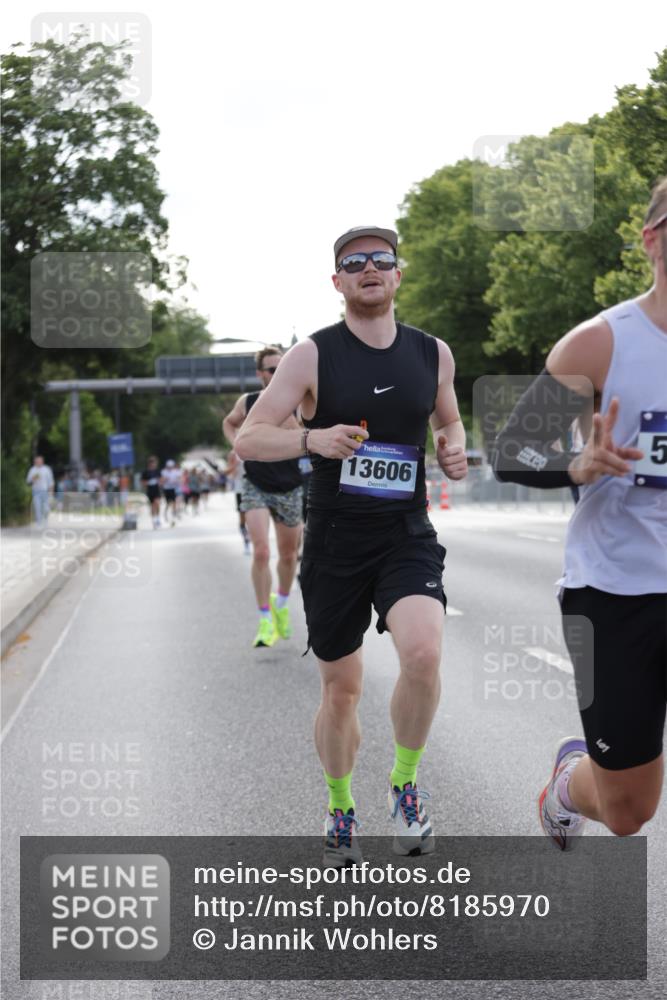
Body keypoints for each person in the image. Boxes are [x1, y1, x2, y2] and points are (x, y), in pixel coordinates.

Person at [236, 226, 467, 864]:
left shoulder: (433, 354)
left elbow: (447, 417)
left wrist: (453, 446)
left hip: (405, 533)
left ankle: (404, 785)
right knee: (342, 690)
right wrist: (312, 439)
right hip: (335, 540)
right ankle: (340, 804)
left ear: (398, 275)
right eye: (354, 261)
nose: (370, 267)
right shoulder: (311, 356)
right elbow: (249, 440)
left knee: (423, 652)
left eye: (382, 259)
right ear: (337, 281)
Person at [492, 178, 667, 848]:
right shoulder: (598, 345)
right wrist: (576, 466)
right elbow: (510, 452)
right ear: (650, 240)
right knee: (626, 813)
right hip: (614, 592)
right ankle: (569, 781)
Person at [224, 346, 304, 648]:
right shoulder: (249, 402)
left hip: (290, 486)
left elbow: (313, 436)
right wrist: (238, 447)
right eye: (271, 369)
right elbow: (229, 423)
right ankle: (264, 620)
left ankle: (280, 605)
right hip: (255, 483)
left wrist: (293, 427)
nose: (277, 374)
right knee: (260, 552)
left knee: (288, 555)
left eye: (282, 368)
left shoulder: (300, 401)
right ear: (260, 374)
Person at [225, 449, 251, 554]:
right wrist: (235, 465)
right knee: (243, 519)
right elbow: (227, 472)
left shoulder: (252, 448)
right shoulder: (233, 453)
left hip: (254, 489)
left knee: (254, 517)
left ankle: (255, 539)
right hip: (240, 490)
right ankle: (246, 542)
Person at [26, 455, 54, 526]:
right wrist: (33, 478)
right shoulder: (32, 470)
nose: (39, 462)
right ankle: (39, 522)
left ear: (42, 461)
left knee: (46, 508)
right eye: (37, 461)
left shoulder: (47, 469)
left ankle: (45, 519)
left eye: (40, 461)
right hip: (36, 491)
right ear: (35, 462)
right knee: (37, 507)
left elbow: (51, 482)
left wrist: (51, 492)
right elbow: (28, 481)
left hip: (45, 491)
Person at [141, 456, 162, 529]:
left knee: (157, 503)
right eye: (152, 463)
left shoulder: (157, 471)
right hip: (150, 490)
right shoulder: (145, 472)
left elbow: (161, 480)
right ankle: (154, 520)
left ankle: (158, 518)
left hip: (157, 489)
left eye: (154, 463)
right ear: (149, 464)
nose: (153, 464)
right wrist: (149, 482)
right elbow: (142, 482)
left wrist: (158, 482)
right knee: (152, 505)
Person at [161, 459, 180, 527]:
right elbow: (162, 481)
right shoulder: (164, 472)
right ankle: (166, 513)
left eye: (171, 466)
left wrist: (176, 481)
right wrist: (166, 479)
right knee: (168, 503)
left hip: (173, 489)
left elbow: (178, 479)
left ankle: (173, 515)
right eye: (169, 466)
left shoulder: (175, 472)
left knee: (174, 502)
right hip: (166, 489)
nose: (170, 468)